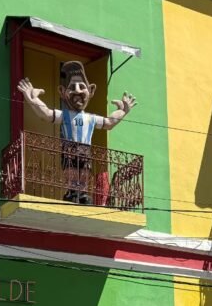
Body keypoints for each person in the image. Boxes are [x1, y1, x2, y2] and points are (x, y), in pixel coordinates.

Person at [17, 61, 137, 204]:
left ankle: (83, 193)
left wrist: (123, 111)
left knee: (85, 172)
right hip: (69, 149)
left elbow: (109, 123)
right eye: (72, 87)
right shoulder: (65, 115)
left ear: (91, 90)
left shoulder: (91, 118)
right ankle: (72, 192)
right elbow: (46, 114)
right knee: (71, 169)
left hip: (85, 150)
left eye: (82, 86)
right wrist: (33, 99)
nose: (78, 91)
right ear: (62, 92)